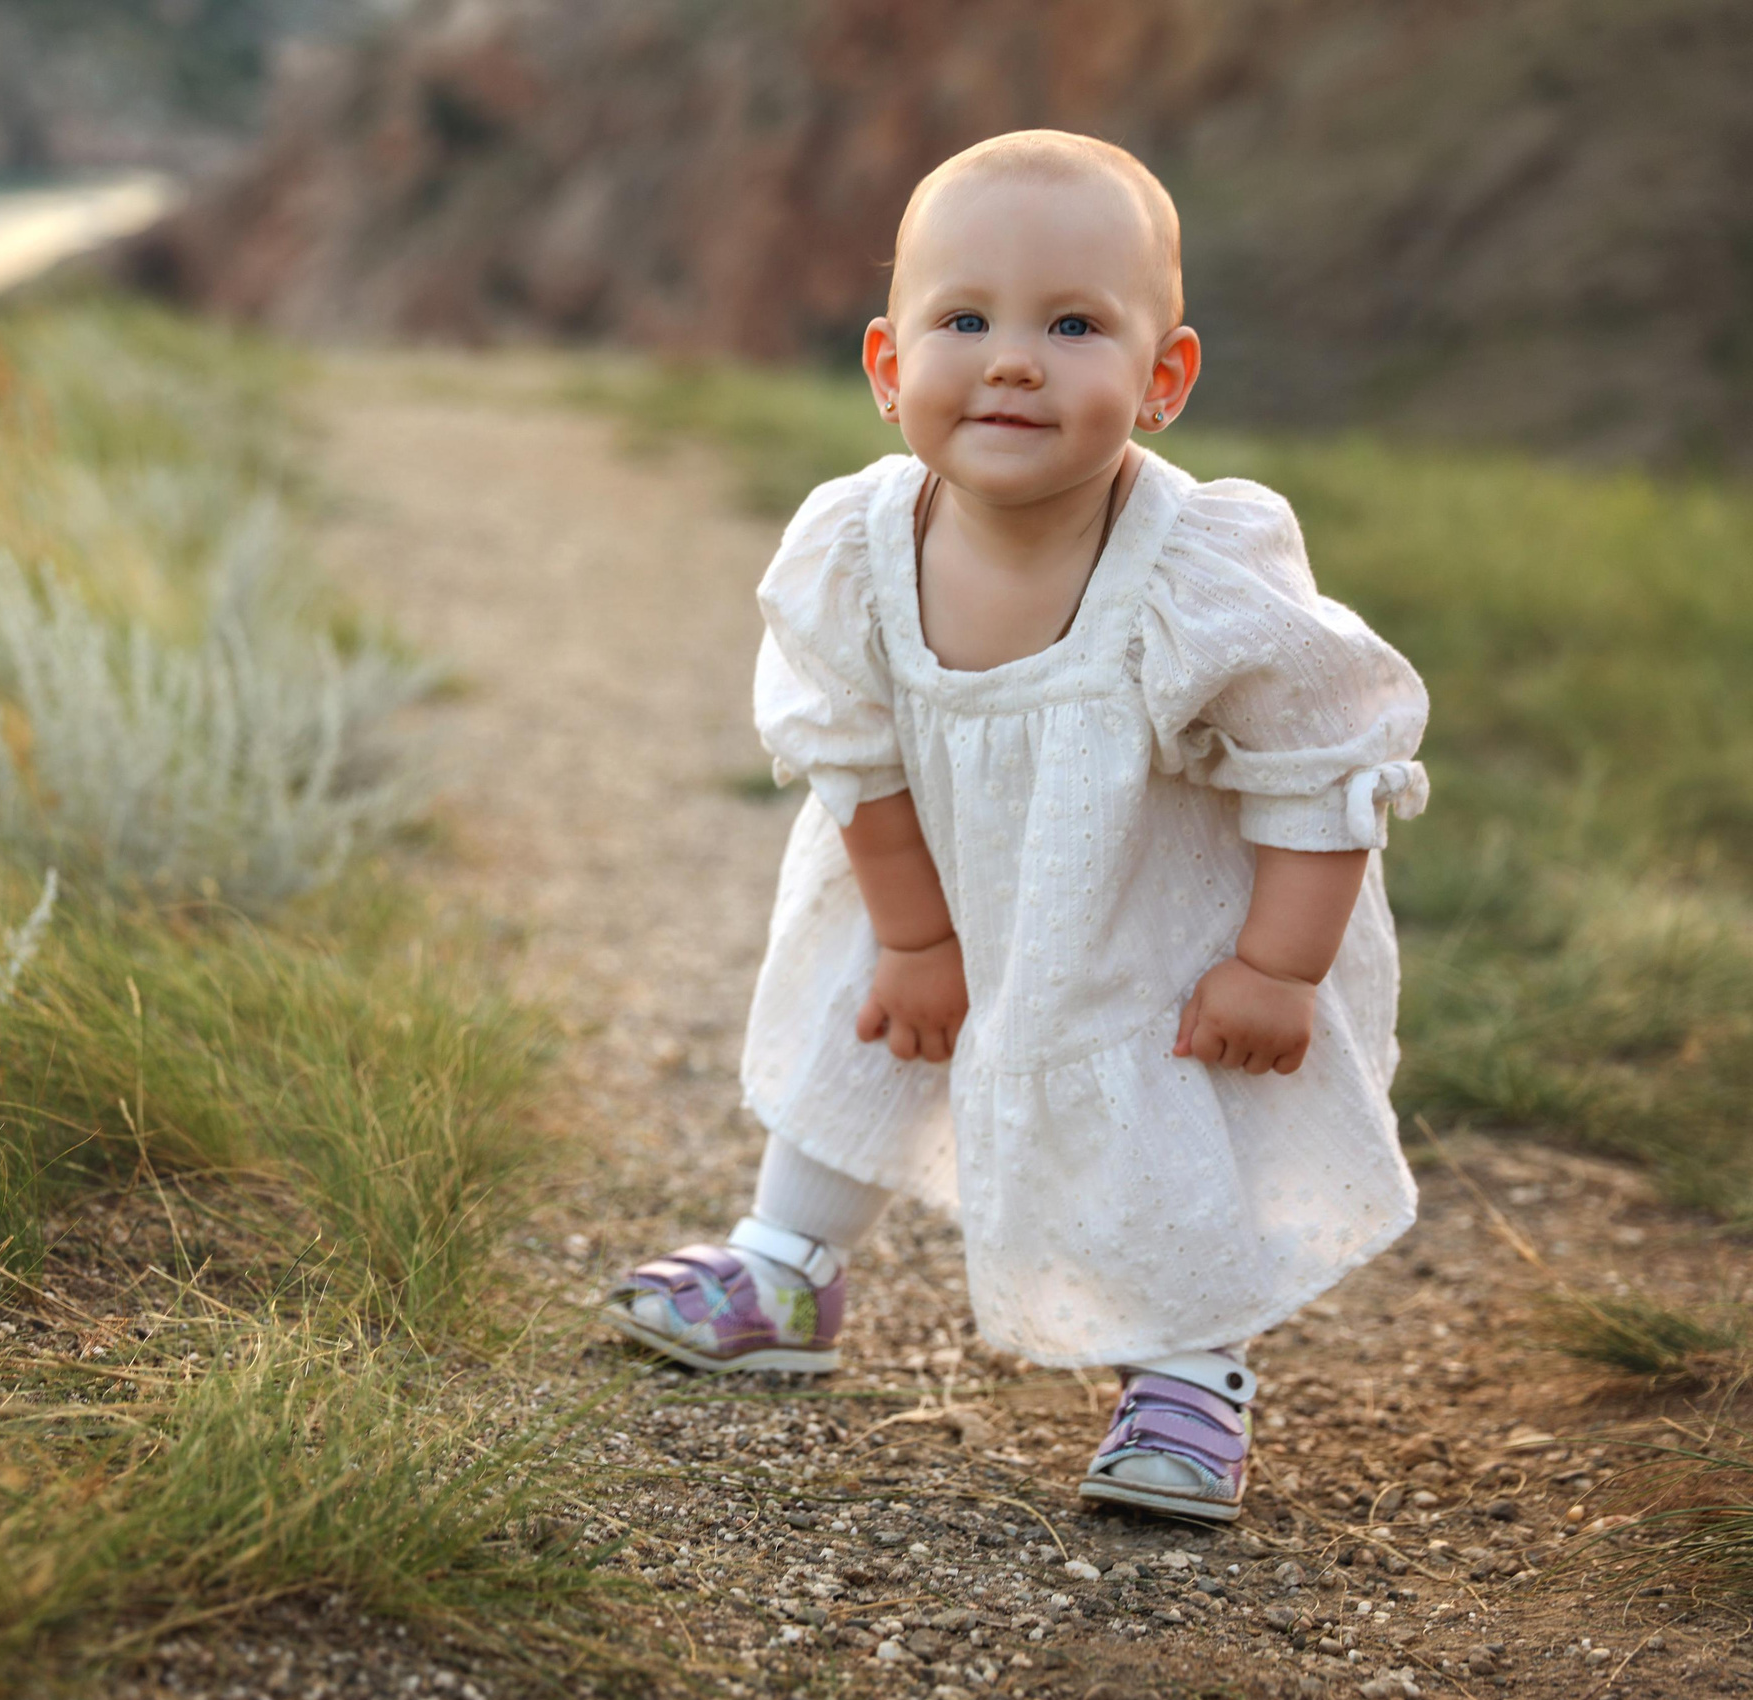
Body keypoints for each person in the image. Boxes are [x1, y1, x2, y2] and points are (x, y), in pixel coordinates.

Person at [605, 129, 1430, 1523]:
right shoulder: (858, 551)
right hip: (922, 881)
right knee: (852, 1037)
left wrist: (1279, 969)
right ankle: (789, 1263)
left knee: (1164, 1122)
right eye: (964, 319)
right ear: (886, 369)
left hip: (1144, 930)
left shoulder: (1201, 573)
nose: (1011, 359)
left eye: (1072, 324)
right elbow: (856, 764)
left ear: (1162, 380)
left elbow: (1323, 765)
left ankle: (1182, 1365)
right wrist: (917, 940)